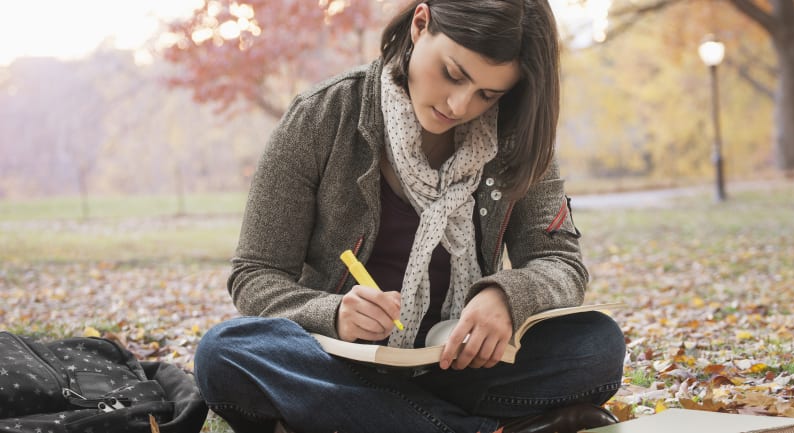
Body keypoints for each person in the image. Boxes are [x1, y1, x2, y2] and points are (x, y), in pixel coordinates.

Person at [194, 1, 626, 432]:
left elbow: (561, 264)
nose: (459, 105)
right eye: (454, 74)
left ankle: (393, 419)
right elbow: (256, 274)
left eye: (487, 94)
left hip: (465, 366)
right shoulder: (322, 116)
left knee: (596, 344)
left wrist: (507, 297)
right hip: (340, 364)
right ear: (421, 24)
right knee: (224, 353)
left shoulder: (515, 137)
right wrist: (334, 312)